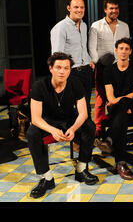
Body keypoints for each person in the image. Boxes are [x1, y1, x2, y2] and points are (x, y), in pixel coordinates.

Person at [26, 52, 98, 199]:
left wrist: (72, 129)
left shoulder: (75, 83)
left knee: (89, 126)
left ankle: (81, 169)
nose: (62, 71)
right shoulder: (39, 86)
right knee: (32, 133)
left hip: (69, 120)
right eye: (58, 67)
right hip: (48, 121)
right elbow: (35, 118)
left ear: (70, 70)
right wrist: (52, 130)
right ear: (51, 68)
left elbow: (83, 113)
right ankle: (46, 178)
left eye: (66, 68)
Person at [88, 0, 130, 136]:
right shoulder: (96, 26)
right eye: (111, 8)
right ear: (105, 9)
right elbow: (92, 47)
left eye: (116, 8)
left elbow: (127, 46)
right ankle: (98, 128)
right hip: (102, 67)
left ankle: (115, 125)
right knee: (101, 98)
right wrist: (94, 62)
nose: (114, 11)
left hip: (120, 67)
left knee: (118, 97)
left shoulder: (124, 26)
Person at [102, 38, 133, 180]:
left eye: (126, 49)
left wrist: (121, 100)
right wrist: (122, 101)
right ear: (116, 50)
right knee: (122, 117)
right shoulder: (108, 71)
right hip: (119, 110)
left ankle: (110, 138)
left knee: (124, 105)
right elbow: (110, 98)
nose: (123, 51)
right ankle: (121, 163)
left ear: (130, 51)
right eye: (121, 48)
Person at [50, 0, 94, 118]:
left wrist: (89, 61)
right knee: (71, 109)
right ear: (68, 8)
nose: (79, 10)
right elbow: (56, 56)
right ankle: (73, 135)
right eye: (76, 7)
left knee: (86, 107)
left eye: (82, 7)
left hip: (86, 72)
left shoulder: (84, 26)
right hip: (72, 73)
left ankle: (86, 136)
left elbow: (82, 48)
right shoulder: (60, 28)